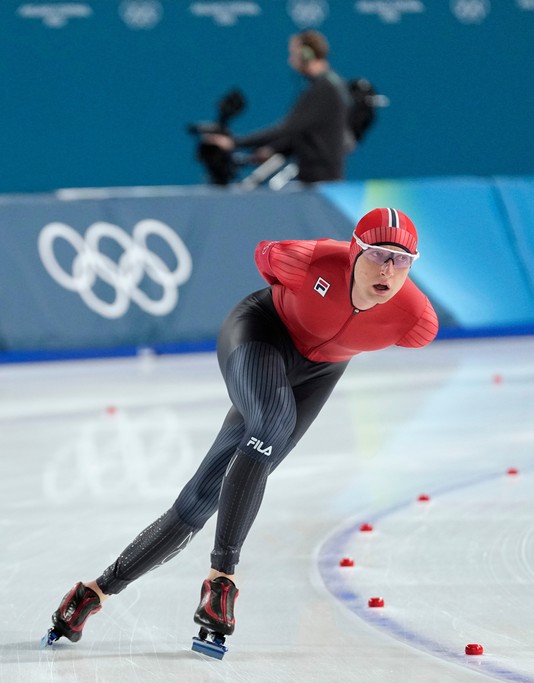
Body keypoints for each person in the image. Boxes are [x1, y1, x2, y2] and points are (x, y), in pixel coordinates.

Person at [46, 207, 439, 648]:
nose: (388, 269)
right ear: (353, 252)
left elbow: (411, 332)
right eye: (378, 255)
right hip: (261, 333)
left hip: (320, 374)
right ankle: (221, 583)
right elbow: (264, 256)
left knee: (203, 497)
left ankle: (89, 595)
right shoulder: (308, 260)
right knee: (272, 420)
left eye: (401, 260)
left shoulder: (416, 320)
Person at [204, 29, 351, 183]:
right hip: (321, 178)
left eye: (293, 54)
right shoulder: (331, 84)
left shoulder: (323, 88)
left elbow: (287, 128)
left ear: (306, 54)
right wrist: (273, 149)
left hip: (320, 181)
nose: (290, 61)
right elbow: (302, 131)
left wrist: (234, 142)